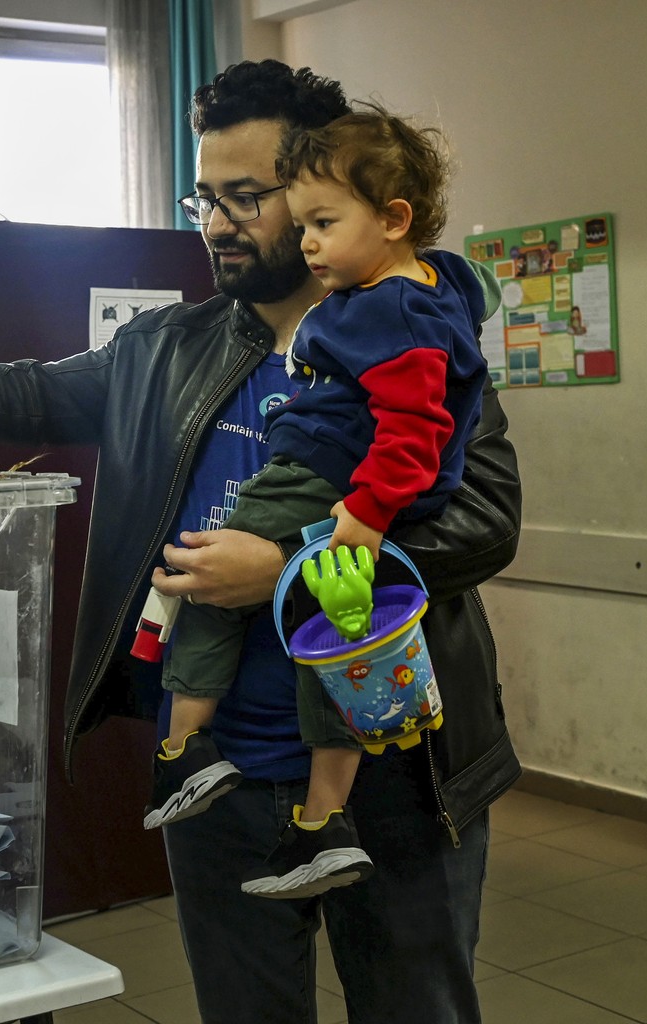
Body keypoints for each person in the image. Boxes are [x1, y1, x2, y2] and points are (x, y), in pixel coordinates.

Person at [0, 61, 520, 1024]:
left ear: (332, 193)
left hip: (393, 759)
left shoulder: (419, 334)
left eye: (249, 197)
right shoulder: (165, 347)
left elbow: (487, 520)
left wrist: (287, 570)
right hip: (220, 770)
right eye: (206, 195)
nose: (217, 222)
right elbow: (26, 392)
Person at [148, 102, 500, 903]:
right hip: (348, 493)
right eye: (205, 199)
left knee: (205, 583)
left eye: (318, 220)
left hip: (323, 479)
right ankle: (323, 822)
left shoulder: (391, 308)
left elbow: (420, 438)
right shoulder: (435, 290)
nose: (308, 241)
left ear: (393, 219)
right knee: (335, 648)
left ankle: (183, 753)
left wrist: (357, 521)